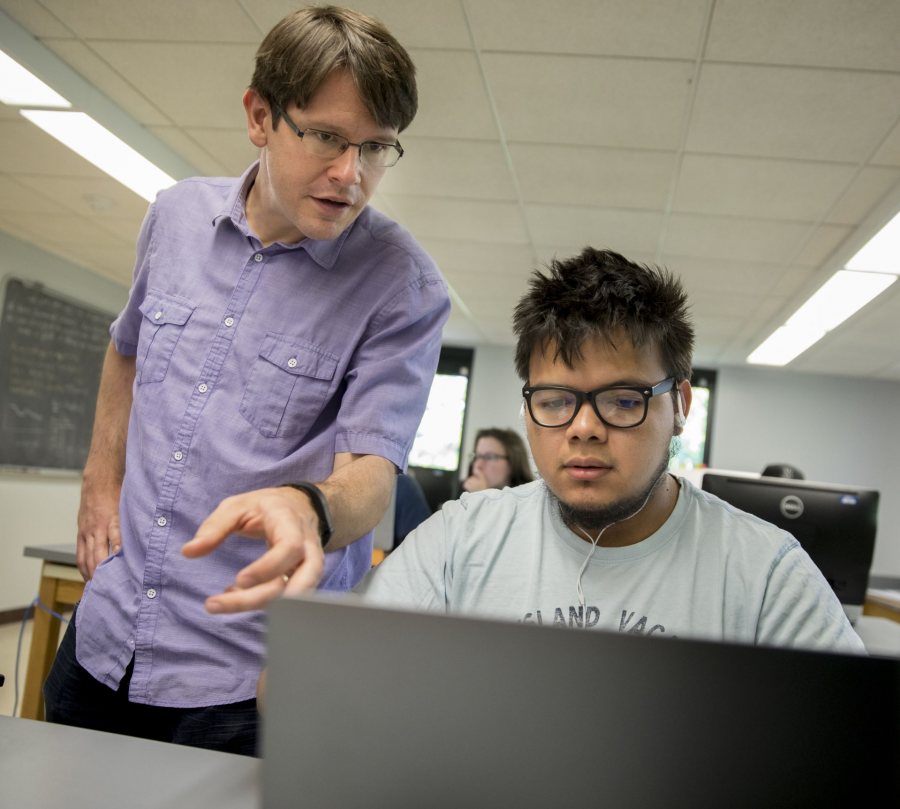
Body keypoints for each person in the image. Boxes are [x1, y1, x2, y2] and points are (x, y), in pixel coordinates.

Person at [44, 5, 449, 755]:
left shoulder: (404, 287)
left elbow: (371, 474)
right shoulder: (173, 216)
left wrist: (309, 508)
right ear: (260, 115)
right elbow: (126, 349)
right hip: (103, 640)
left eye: (376, 148)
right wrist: (100, 476)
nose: (351, 175)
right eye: (327, 137)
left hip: (243, 684)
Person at [354, 248, 863, 654]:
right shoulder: (461, 539)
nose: (583, 428)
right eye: (554, 401)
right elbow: (310, 678)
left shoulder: (763, 570)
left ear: (680, 405)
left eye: (623, 401)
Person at [461, 427, 533, 493]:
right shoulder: (464, 489)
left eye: (489, 457)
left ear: (513, 462)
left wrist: (482, 495)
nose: (478, 465)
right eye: (477, 456)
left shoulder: (530, 499)